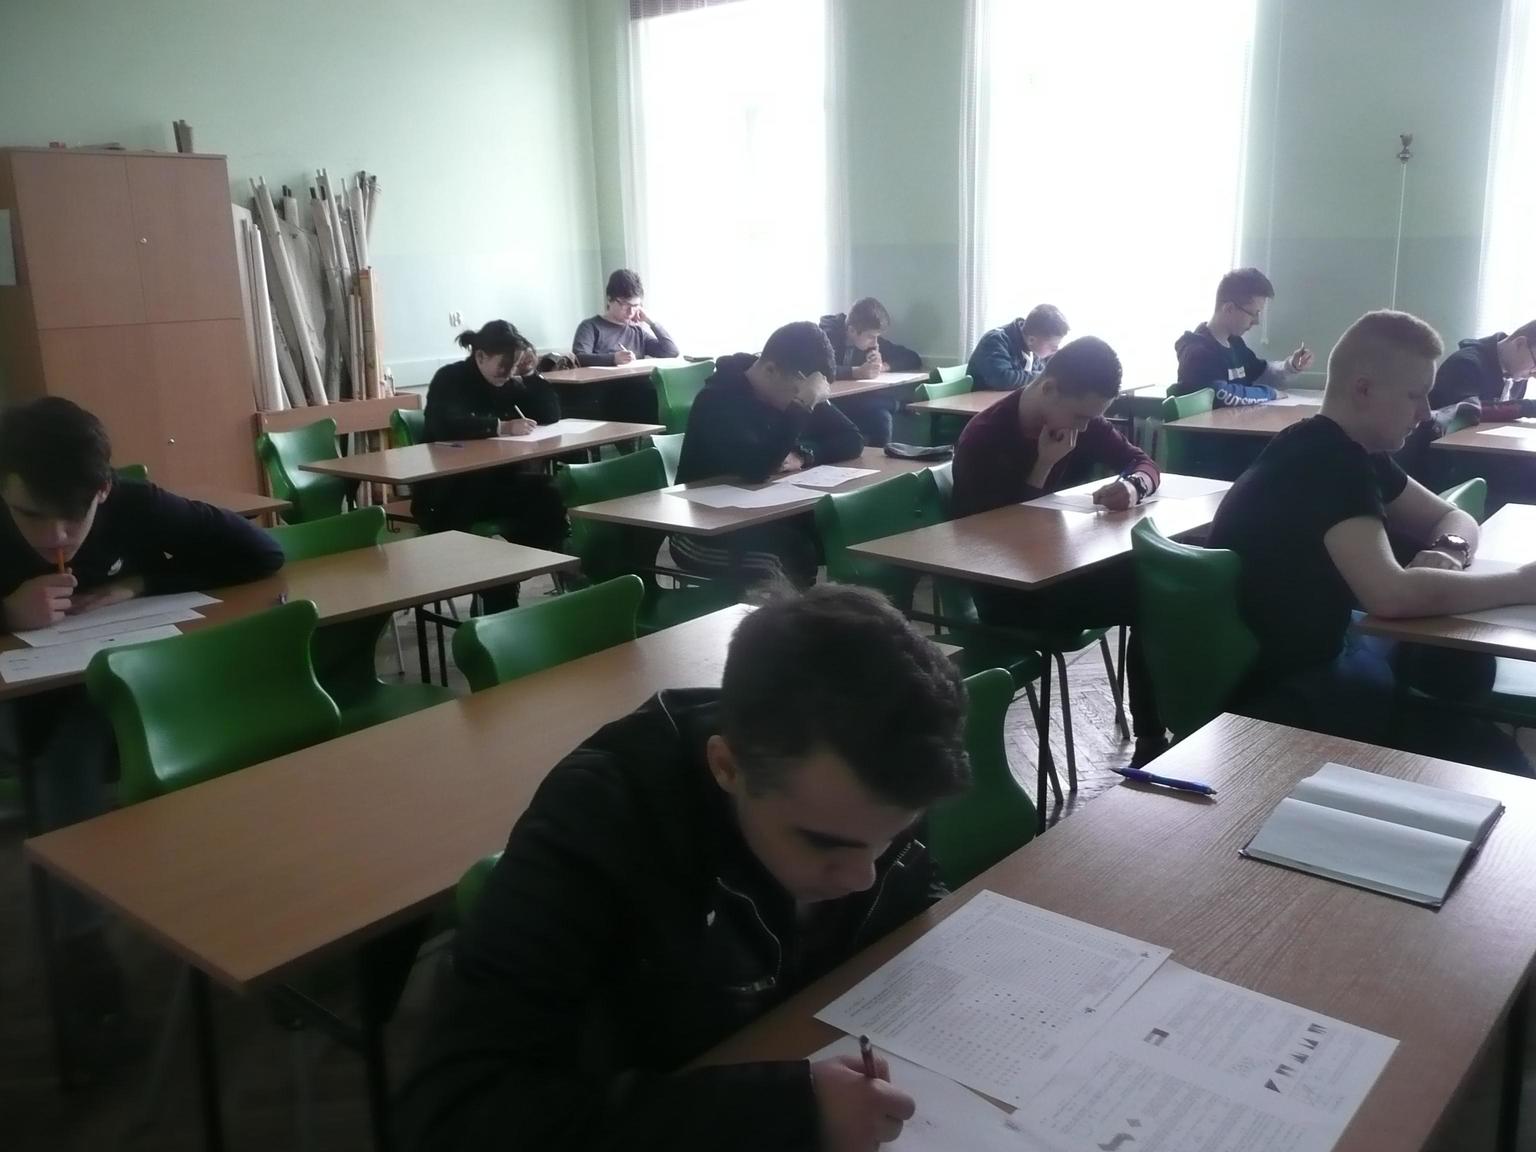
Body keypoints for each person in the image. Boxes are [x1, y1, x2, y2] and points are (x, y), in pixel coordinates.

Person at [398, 583, 969, 1152]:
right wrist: (789, 1110)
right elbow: (454, 1115)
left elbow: (914, 893)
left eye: (890, 838)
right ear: (727, 767)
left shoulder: (874, 776)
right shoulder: (600, 818)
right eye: (825, 845)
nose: (864, 876)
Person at [0, 397, 285, 1034]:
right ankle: (82, 952)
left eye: (73, 515)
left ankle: (264, 909)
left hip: (113, 688)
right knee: (63, 766)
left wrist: (141, 584)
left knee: (235, 725)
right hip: (26, 708)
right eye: (30, 514)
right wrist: (8, 612)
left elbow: (260, 553)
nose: (55, 537)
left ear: (103, 490)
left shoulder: (135, 505)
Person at [1208, 310, 1536, 773]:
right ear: (1362, 389)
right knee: (1501, 766)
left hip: (1319, 660)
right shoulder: (1327, 462)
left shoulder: (1351, 450)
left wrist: (1450, 548)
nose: (1426, 413)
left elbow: (1453, 516)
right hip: (1284, 700)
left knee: (1461, 674)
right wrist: (1521, 583)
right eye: (1415, 395)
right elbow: (1390, 595)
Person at [951, 336, 1166, 763]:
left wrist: (1131, 486)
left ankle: (1152, 735)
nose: (1085, 428)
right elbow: (993, 534)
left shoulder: (1076, 417)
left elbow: (1143, 462)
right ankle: (1151, 740)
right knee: (1147, 595)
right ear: (1049, 389)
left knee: (1156, 583)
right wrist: (1043, 466)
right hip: (1009, 593)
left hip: (1058, 568)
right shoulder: (985, 436)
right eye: (1082, 416)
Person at [670, 321, 863, 588]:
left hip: (764, 514)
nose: (802, 401)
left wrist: (805, 454)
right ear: (771, 370)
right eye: (799, 393)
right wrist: (802, 403)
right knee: (791, 551)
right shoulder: (716, 400)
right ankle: (794, 615)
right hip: (701, 533)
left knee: (840, 529)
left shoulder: (789, 388)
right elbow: (757, 467)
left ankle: (839, 611)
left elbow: (852, 438)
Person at [414, 321, 566, 610]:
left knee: (549, 495)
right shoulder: (450, 378)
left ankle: (509, 575)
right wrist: (501, 427)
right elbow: (444, 424)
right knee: (505, 504)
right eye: (504, 365)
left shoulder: (508, 382)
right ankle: (499, 588)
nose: (508, 372)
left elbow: (550, 414)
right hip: (450, 489)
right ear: (481, 356)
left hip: (494, 482)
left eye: (514, 365)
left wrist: (530, 374)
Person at [1174, 267, 1313, 406]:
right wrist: (1269, 393)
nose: (1256, 322)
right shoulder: (1197, 351)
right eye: (1253, 313)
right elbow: (1221, 395)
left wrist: (1291, 366)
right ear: (1229, 308)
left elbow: (1262, 373)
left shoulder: (1235, 344)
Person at [818, 297, 923, 446]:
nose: (875, 342)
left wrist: (883, 365)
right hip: (827, 402)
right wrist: (856, 372)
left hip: (857, 401)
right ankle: (898, 405)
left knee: (882, 418)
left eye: (877, 337)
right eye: (871, 337)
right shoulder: (826, 336)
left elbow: (912, 358)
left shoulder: (870, 339)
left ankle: (882, 460)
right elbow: (820, 369)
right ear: (852, 330)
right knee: (868, 403)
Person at [571, 268, 681, 367]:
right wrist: (613, 359)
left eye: (636, 306)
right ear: (609, 299)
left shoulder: (637, 333)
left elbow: (671, 352)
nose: (631, 312)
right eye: (625, 305)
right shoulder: (590, 327)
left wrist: (651, 322)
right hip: (604, 383)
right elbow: (579, 358)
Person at [966, 304, 1070, 391]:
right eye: (1052, 346)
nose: (1056, 349)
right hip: (981, 405)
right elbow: (1003, 379)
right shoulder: (995, 341)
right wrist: (1043, 376)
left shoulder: (1032, 346)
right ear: (1031, 340)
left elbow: (1036, 373)